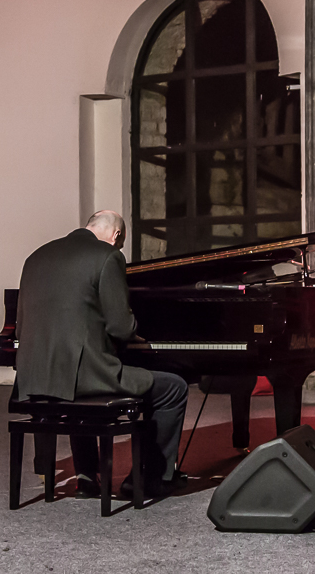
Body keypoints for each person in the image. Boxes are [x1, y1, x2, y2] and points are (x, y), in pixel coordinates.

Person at [15, 210, 188, 498]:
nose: (119, 249)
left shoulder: (36, 257)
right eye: (120, 244)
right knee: (173, 388)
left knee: (77, 383)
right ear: (116, 236)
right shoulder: (107, 257)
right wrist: (133, 330)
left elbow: (21, 328)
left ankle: (87, 475)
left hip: (35, 378)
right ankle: (147, 478)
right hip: (84, 378)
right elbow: (120, 327)